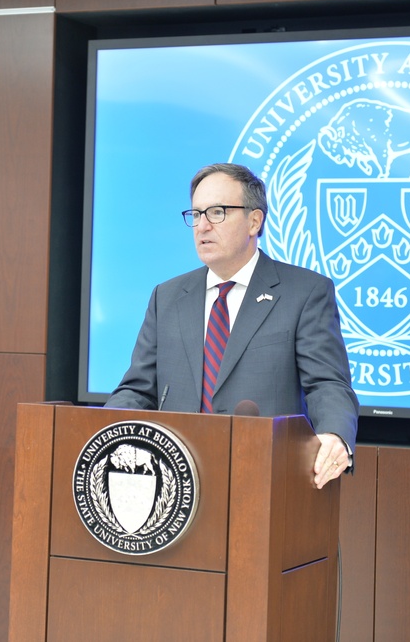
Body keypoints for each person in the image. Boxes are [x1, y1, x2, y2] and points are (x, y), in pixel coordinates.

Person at [105, 163, 358, 489]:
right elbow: (137, 390)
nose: (202, 226)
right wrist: (100, 432)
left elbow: (328, 384)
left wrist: (335, 435)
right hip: (176, 486)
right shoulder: (166, 297)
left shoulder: (305, 292)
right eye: (196, 214)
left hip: (268, 480)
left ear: (255, 221)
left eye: (217, 212)